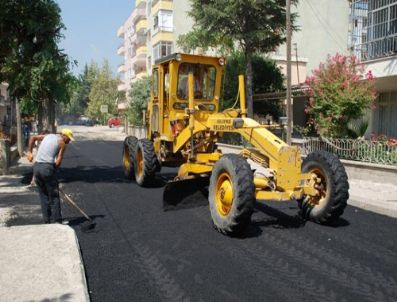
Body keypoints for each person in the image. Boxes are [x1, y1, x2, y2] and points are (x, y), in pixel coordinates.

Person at [27, 128, 74, 224]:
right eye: (68, 138)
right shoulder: (62, 143)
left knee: (43, 195)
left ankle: (47, 221)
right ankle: (57, 221)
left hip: (36, 168)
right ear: (63, 135)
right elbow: (58, 161)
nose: (69, 141)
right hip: (47, 168)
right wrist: (52, 172)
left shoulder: (48, 136)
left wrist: (30, 152)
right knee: (54, 196)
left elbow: (33, 137)